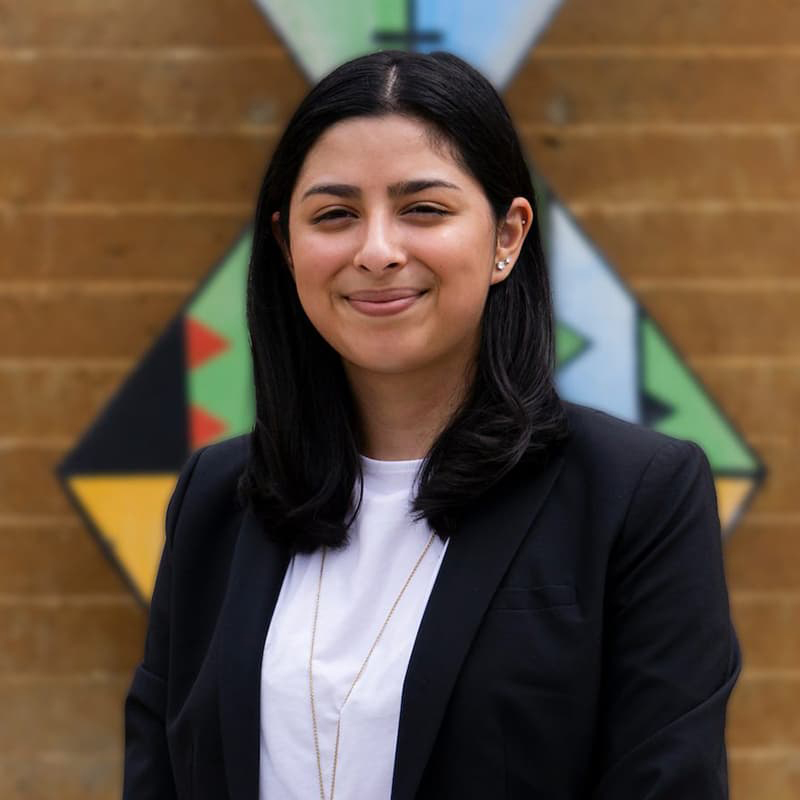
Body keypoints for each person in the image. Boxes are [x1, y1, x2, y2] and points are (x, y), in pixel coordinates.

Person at [123, 50, 740, 800]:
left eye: (424, 209)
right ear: (288, 246)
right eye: (335, 215)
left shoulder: (636, 494)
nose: (378, 251)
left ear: (507, 238)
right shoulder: (218, 496)